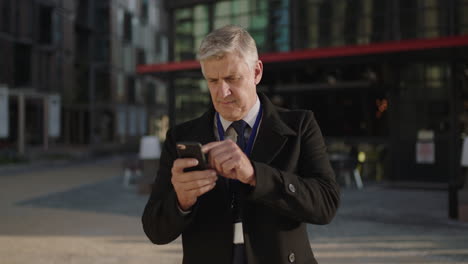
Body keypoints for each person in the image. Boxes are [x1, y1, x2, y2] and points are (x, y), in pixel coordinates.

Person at [142, 25, 340, 264]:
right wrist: (181, 201)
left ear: (257, 72)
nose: (222, 92)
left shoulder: (300, 125)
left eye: (231, 78)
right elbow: (155, 231)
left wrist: (256, 175)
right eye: (212, 81)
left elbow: (326, 205)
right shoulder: (180, 137)